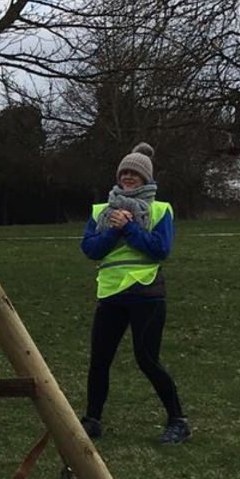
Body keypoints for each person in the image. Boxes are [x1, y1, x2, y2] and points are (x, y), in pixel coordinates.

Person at [79, 141, 191, 445]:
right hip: (111, 294)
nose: (128, 177)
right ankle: (92, 420)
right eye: (124, 172)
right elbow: (90, 248)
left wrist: (128, 228)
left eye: (135, 173)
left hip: (146, 294)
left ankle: (178, 421)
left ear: (146, 179)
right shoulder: (102, 211)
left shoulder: (159, 210)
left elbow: (160, 250)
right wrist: (113, 230)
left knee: (147, 359)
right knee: (99, 360)